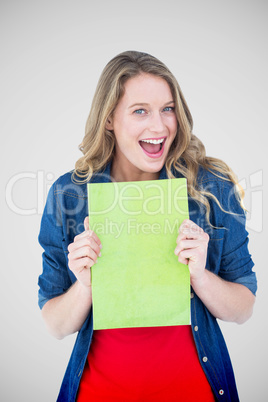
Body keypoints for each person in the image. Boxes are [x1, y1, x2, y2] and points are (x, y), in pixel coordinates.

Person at [38, 50, 257, 401]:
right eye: (140, 111)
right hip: (99, 392)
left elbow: (244, 308)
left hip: (194, 391)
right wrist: (84, 285)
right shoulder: (70, 193)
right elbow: (55, 325)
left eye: (167, 109)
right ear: (109, 119)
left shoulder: (211, 186)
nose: (160, 126)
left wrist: (200, 276)